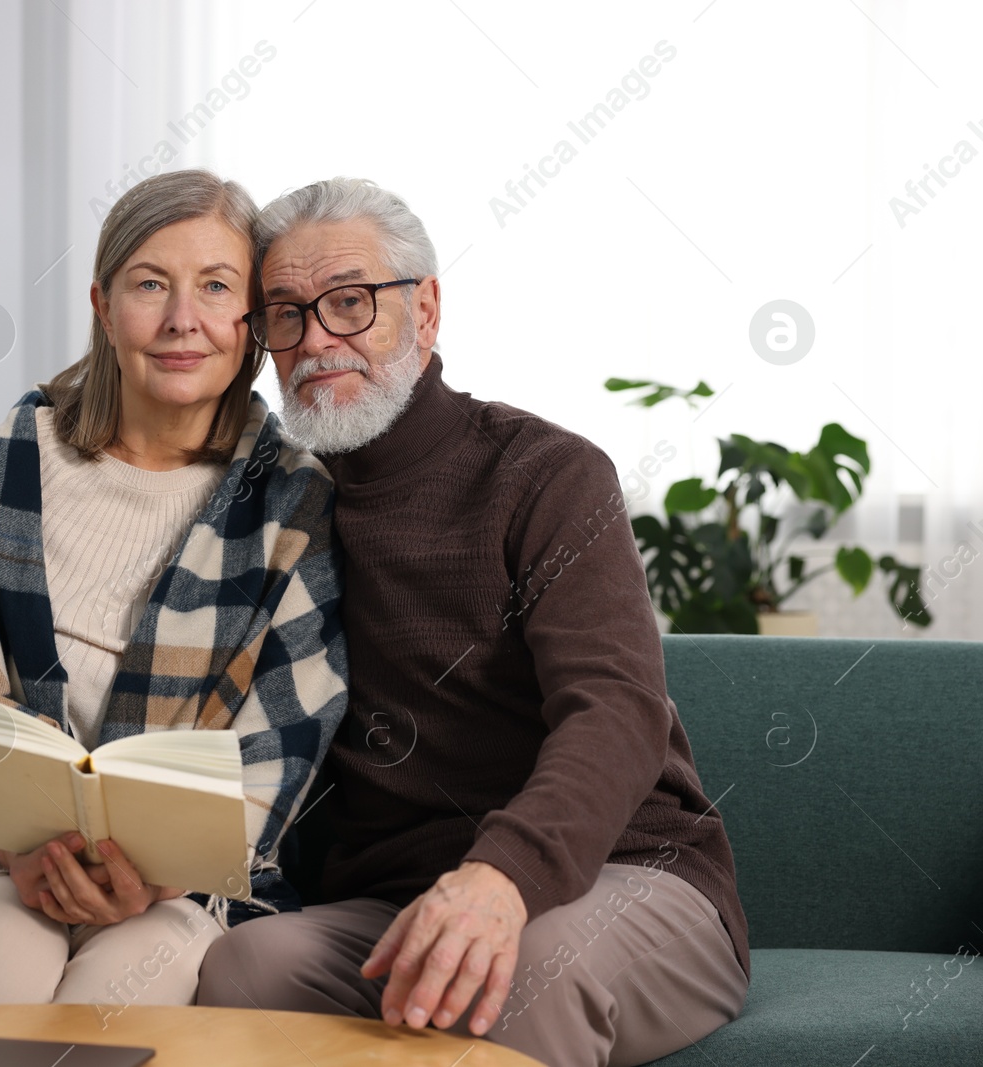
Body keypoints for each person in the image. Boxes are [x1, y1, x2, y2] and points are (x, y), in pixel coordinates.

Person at [195, 177, 750, 1067]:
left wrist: (502, 879)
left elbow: (617, 709)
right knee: (245, 965)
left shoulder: (547, 475)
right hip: (400, 903)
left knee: (516, 967)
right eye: (286, 314)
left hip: (626, 873)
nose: (316, 340)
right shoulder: (273, 507)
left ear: (426, 307)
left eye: (349, 301)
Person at [0, 169, 348, 1013]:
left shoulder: (293, 500)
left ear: (252, 322)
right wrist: (17, 853)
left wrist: (154, 874)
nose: (183, 318)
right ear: (104, 304)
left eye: (216, 286)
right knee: (2, 948)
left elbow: (284, 743)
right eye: (151, 283)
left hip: (182, 891)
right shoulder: (6, 468)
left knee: (127, 982)